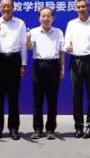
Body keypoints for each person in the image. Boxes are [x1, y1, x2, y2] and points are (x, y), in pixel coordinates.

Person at [64, 0, 90, 139]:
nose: (81, 9)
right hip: (76, 61)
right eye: (78, 7)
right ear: (76, 8)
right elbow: (66, 43)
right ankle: (79, 126)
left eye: (83, 6)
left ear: (88, 7)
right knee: (77, 95)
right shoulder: (71, 24)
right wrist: (67, 47)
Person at [0, 0, 27, 140]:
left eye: (8, 5)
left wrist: (23, 64)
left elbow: (23, 45)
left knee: (13, 97)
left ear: (13, 7)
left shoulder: (20, 23)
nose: (6, 8)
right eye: (3, 6)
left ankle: (14, 129)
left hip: (14, 60)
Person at [26, 7, 65, 140]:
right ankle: (38, 129)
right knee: (38, 100)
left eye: (48, 16)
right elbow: (29, 47)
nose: (46, 18)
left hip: (53, 65)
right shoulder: (34, 32)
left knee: (52, 100)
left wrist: (62, 68)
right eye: (43, 16)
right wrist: (27, 39)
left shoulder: (58, 32)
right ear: (39, 18)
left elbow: (61, 51)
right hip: (39, 66)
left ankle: (50, 130)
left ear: (52, 18)